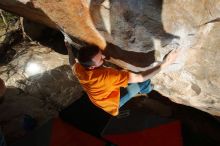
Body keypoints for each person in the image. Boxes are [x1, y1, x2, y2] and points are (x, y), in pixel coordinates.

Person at [65, 42, 179, 116]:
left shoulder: (80, 68)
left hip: (97, 97)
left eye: (101, 53)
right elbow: (140, 77)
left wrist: (68, 48)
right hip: (111, 103)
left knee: (126, 80)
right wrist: (166, 63)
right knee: (146, 82)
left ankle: (140, 90)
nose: (104, 57)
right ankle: (145, 90)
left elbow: (72, 63)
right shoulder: (107, 76)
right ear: (92, 67)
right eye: (100, 59)